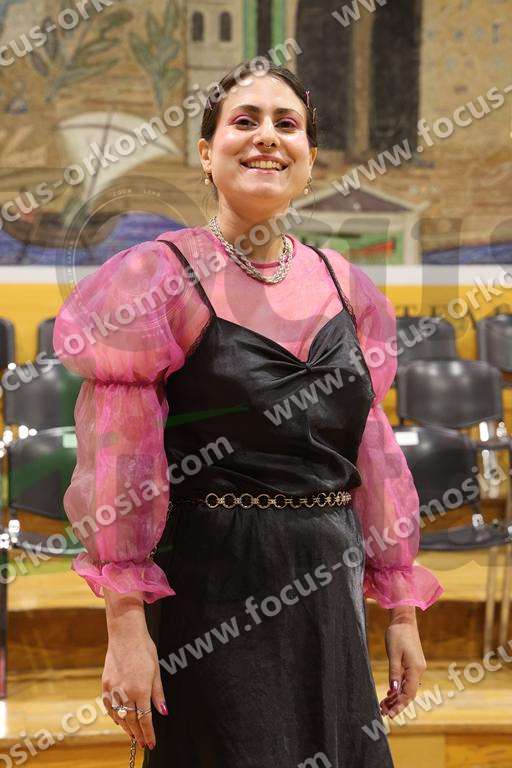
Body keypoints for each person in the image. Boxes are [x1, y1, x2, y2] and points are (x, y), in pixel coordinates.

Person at [53, 61, 443, 768]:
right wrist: (126, 628)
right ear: (206, 153)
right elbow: (118, 463)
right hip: (211, 584)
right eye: (245, 121)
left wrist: (401, 613)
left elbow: (374, 454)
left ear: (310, 158)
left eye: (287, 124)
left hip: (328, 582)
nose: (267, 136)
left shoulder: (348, 286)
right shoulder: (156, 278)